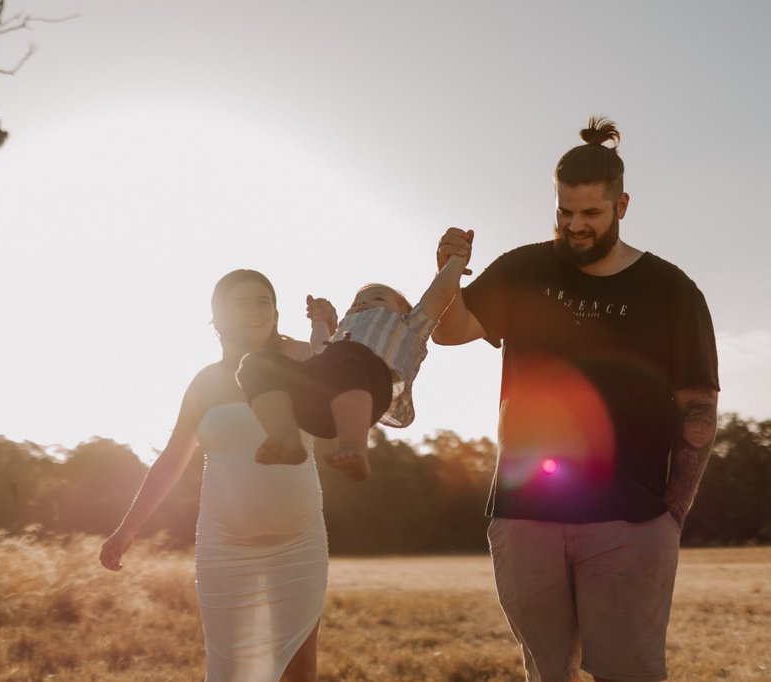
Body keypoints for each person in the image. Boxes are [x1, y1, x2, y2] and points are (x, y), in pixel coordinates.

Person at [433, 116, 719, 682]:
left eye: (591, 213)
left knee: (628, 671)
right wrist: (448, 272)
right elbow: (449, 329)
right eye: (565, 212)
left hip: (630, 518)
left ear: (623, 205)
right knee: (546, 672)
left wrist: (673, 514)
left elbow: (698, 405)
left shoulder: (671, 289)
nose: (575, 226)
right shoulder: (523, 268)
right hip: (525, 516)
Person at [99, 269, 335, 682]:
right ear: (218, 316)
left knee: (299, 671)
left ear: (277, 312)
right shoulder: (204, 382)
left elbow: (348, 386)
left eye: (264, 300)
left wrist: (328, 333)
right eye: (242, 301)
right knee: (231, 672)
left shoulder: (303, 359)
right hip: (226, 547)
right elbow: (172, 459)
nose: (256, 309)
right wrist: (126, 529)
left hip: (299, 545)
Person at [236, 252, 470, 482]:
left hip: (370, 390)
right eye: (356, 303)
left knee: (345, 352)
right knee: (257, 361)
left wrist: (455, 262)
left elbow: (439, 293)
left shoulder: (410, 325)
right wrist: (319, 322)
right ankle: (284, 434)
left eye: (377, 299)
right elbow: (319, 351)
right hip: (320, 407)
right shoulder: (341, 336)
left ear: (406, 312)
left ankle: (353, 447)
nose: (362, 304)